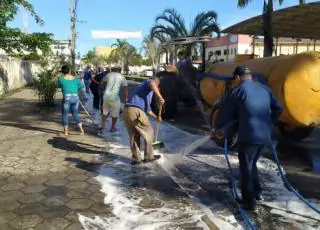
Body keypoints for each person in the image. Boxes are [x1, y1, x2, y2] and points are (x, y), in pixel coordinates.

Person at [214, 66, 283, 211]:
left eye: (235, 80)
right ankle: (257, 193)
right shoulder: (265, 89)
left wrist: (218, 129)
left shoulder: (238, 91)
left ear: (238, 78)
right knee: (252, 164)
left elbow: (225, 114)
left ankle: (249, 203)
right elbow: (278, 108)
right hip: (264, 136)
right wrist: (269, 121)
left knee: (246, 168)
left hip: (249, 136)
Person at [123, 76, 165, 165]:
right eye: (158, 85)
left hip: (127, 111)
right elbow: (152, 83)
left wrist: (156, 117)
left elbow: (148, 110)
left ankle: (136, 158)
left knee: (134, 135)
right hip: (136, 111)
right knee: (149, 131)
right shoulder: (149, 82)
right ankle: (149, 157)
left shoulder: (143, 90)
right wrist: (160, 97)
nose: (157, 87)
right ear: (156, 82)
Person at [57, 65, 86, 136]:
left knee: (65, 114)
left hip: (67, 97)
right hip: (75, 97)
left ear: (62, 72)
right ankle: (81, 130)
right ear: (69, 71)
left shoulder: (61, 79)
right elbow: (82, 86)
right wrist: (76, 91)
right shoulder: (76, 79)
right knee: (75, 113)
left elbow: (58, 86)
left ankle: (66, 132)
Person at [100, 67, 128, 132]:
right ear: (119, 71)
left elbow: (102, 83)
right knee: (115, 113)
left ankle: (103, 125)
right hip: (115, 97)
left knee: (105, 111)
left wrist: (102, 91)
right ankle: (112, 127)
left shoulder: (108, 75)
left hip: (106, 95)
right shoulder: (122, 77)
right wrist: (126, 98)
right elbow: (125, 89)